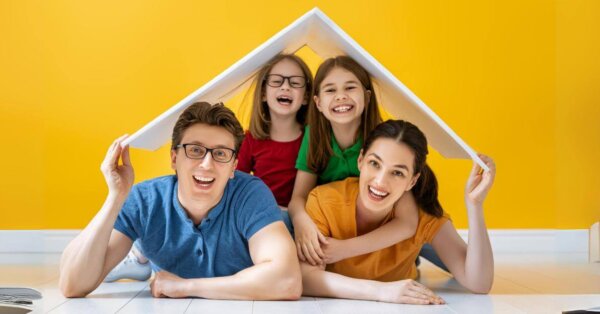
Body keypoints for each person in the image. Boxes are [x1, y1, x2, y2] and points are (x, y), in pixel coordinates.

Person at [59, 102, 302, 300]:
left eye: (220, 153)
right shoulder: (144, 199)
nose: (206, 164)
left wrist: (185, 287)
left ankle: (140, 257)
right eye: (195, 150)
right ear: (174, 158)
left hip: (277, 219)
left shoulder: (251, 193)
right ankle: (139, 257)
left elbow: (287, 281)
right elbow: (72, 285)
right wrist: (115, 197)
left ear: (233, 167)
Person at [301, 120, 496, 304]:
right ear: (360, 160)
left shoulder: (423, 216)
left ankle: (417, 253)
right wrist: (381, 291)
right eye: (375, 164)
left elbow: (480, 284)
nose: (380, 181)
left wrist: (474, 205)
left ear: (412, 181)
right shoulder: (324, 201)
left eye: (397, 172)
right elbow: (305, 277)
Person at [288, 56, 421, 266]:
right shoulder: (314, 136)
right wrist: (302, 222)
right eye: (330, 90)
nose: (341, 96)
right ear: (318, 103)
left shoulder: (384, 140)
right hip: (336, 224)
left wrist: (344, 249)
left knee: (431, 234)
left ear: (367, 98)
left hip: (379, 226)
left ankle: (406, 254)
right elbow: (298, 198)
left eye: (350, 88)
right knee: (284, 220)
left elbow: (407, 222)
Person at [236, 54, 313, 208]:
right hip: (260, 216)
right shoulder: (250, 140)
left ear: (305, 97)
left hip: (302, 218)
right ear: (263, 94)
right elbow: (236, 185)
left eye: (295, 83)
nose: (286, 87)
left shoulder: (313, 138)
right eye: (277, 81)